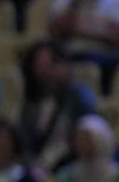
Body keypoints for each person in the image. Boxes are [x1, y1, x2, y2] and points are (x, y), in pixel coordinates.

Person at [19, 42, 98, 171]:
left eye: (51, 64)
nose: (47, 71)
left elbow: (89, 128)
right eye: (40, 65)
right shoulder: (31, 105)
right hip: (36, 168)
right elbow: (24, 143)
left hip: (71, 166)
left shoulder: (77, 96)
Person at [52, 115, 119, 182]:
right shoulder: (66, 178)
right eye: (79, 139)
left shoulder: (118, 177)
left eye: (87, 139)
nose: (81, 144)